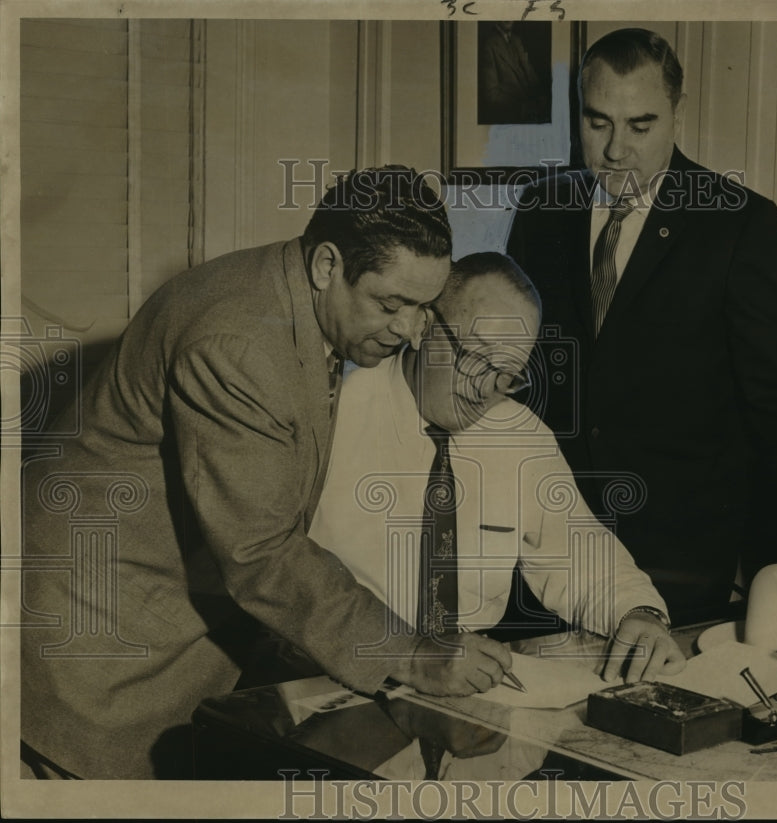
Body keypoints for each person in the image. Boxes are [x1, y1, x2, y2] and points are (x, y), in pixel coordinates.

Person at [18, 167, 510, 780]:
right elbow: (262, 550)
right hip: (93, 640)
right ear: (328, 266)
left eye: (423, 308)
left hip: (152, 619)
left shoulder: (288, 296)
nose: (411, 332)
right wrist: (410, 652)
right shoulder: (237, 343)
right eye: (392, 304)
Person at [506, 28, 777, 626]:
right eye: (597, 122)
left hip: (679, 561)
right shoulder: (541, 210)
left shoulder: (736, 223)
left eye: (640, 125)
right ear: (576, 113)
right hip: (550, 549)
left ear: (675, 115)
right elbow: (521, 374)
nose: (616, 150)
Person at [308, 251, 686, 684]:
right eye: (475, 358)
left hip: (466, 684)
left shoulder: (519, 435)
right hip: (336, 676)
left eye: (508, 374)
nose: (485, 390)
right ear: (422, 326)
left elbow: (581, 555)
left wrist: (639, 613)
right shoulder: (329, 415)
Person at [478, 22, 548, 124]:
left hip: (532, 114)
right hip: (511, 118)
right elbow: (491, 95)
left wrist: (542, 98)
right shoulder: (489, 45)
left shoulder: (516, 40)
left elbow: (532, 78)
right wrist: (523, 107)